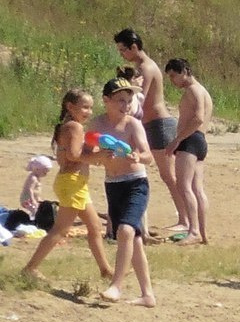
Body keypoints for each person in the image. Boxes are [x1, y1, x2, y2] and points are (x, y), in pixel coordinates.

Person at [18, 91, 110, 285]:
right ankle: (30, 268)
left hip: (75, 184)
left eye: (91, 107)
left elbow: (73, 154)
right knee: (60, 230)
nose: (89, 112)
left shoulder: (68, 126)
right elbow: (74, 156)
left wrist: (95, 153)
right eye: (85, 107)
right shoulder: (75, 127)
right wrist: (98, 156)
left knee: (95, 227)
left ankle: (105, 270)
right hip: (72, 183)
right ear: (70, 106)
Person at [94, 81, 157, 307]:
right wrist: (100, 156)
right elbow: (88, 154)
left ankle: (116, 286)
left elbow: (148, 155)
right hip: (113, 184)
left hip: (135, 183)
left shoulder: (133, 125)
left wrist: (138, 157)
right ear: (106, 100)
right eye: (121, 100)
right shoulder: (97, 124)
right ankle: (147, 295)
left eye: (129, 101)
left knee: (125, 230)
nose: (126, 105)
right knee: (134, 240)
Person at [116, 29, 174, 222]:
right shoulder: (142, 66)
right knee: (163, 175)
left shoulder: (146, 68)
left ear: (134, 47)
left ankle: (186, 220)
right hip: (150, 124)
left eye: (123, 50)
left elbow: (138, 98)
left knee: (169, 176)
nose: (122, 54)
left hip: (159, 124)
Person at [165, 58, 214, 245]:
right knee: (197, 189)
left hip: (190, 140)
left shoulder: (193, 90)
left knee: (184, 186)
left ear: (184, 71)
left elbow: (198, 118)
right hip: (200, 141)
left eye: (173, 76)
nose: (172, 81)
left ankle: (194, 231)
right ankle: (202, 231)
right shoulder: (202, 90)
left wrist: (177, 140)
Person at [5, 153, 59, 238]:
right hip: (28, 199)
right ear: (37, 169)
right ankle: (34, 223)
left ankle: (35, 221)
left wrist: (38, 199)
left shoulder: (37, 177)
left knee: (37, 210)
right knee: (35, 211)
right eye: (45, 171)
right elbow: (30, 189)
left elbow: (36, 191)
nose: (46, 174)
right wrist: (33, 199)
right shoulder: (33, 178)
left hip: (34, 198)